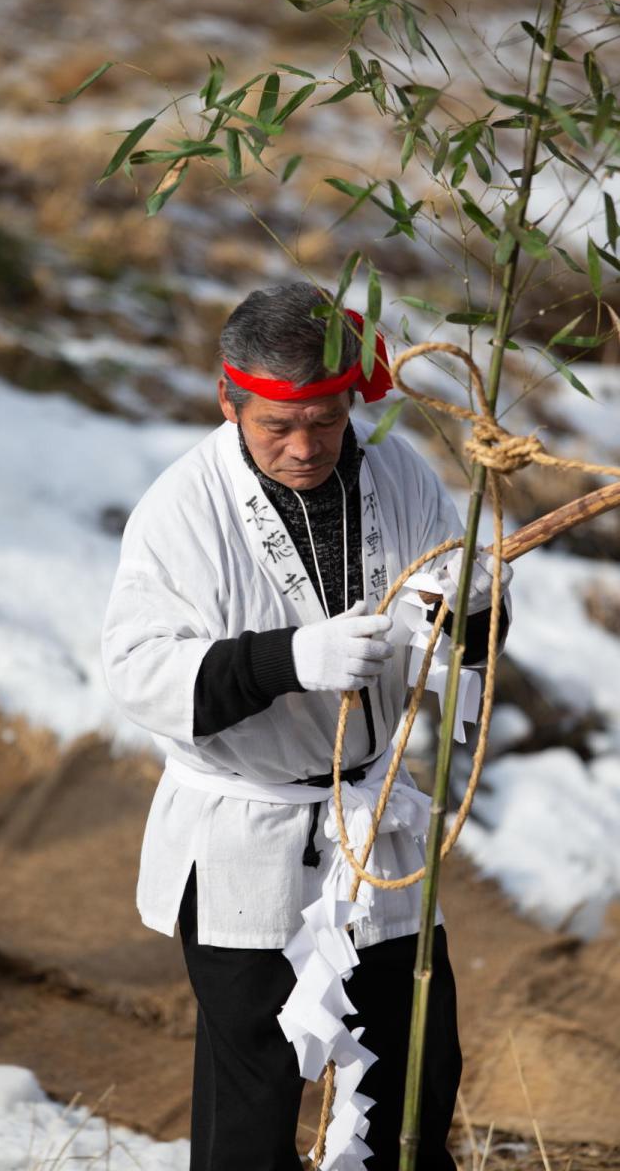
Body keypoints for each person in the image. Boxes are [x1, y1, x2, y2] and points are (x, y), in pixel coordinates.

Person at [101, 282, 511, 1171]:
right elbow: (137, 671)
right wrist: (287, 660)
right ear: (227, 401)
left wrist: (467, 609)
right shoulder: (180, 510)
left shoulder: (398, 472)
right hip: (246, 832)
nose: (303, 449)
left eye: (324, 424)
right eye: (275, 428)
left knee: (416, 1076)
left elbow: (464, 636)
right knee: (253, 1097)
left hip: (374, 823)